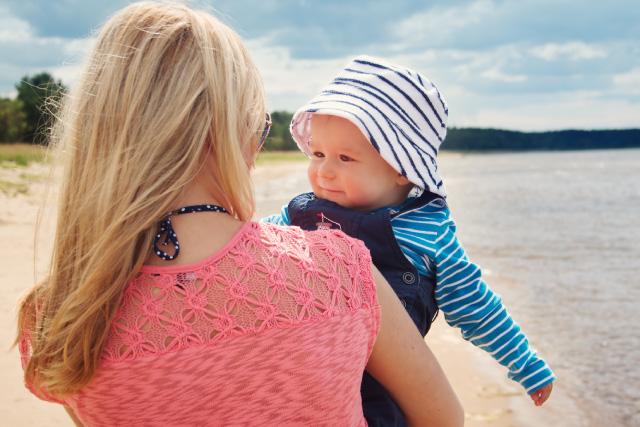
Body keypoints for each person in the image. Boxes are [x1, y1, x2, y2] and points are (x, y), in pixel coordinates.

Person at [14, 3, 463, 426]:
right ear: (233, 132)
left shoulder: (63, 317)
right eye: (260, 126)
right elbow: (444, 418)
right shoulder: (339, 269)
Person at [263, 55, 556, 425]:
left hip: (384, 388)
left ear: (403, 169)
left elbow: (476, 305)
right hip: (304, 376)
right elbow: (250, 245)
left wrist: (524, 362)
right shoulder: (300, 215)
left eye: (345, 158)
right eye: (318, 154)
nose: (324, 171)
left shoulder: (426, 232)